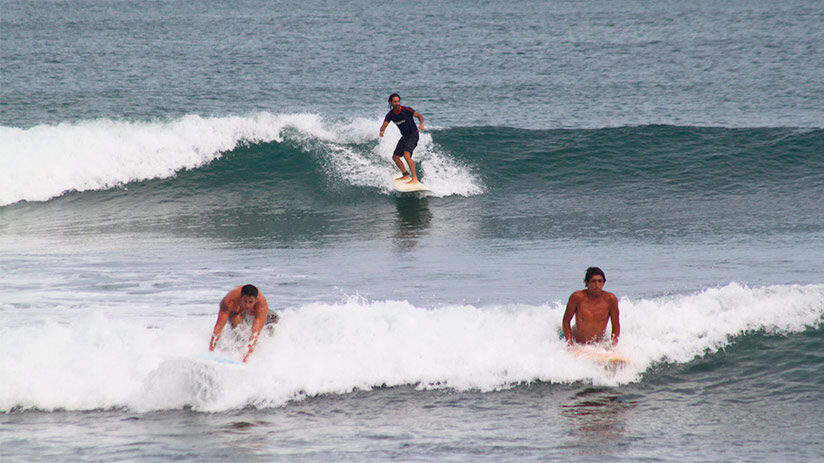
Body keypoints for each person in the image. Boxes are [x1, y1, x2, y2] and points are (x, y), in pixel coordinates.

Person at [209, 284, 279, 362]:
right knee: (237, 322)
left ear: (256, 300)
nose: (247, 305)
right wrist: (210, 351)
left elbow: (255, 333)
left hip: (256, 313)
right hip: (236, 311)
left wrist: (246, 358)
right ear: (241, 298)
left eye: (250, 302)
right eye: (245, 301)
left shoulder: (261, 305)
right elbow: (218, 327)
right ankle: (237, 349)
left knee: (275, 321)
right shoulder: (229, 301)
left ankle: (266, 352)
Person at [562, 267, 620, 346]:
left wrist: (613, 345)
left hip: (598, 344)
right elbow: (566, 320)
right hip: (576, 341)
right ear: (586, 283)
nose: (597, 285)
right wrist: (570, 343)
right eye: (593, 281)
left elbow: (616, 325)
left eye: (600, 281)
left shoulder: (610, 299)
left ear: (603, 283)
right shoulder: (577, 297)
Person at [379, 93, 425, 185]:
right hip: (404, 137)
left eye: (398, 101)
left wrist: (421, 123)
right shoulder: (390, 114)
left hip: (413, 135)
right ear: (391, 103)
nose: (397, 103)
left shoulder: (406, 110)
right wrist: (382, 130)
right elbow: (385, 124)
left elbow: (419, 116)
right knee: (395, 157)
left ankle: (415, 179)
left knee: (406, 155)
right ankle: (405, 174)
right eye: (395, 102)